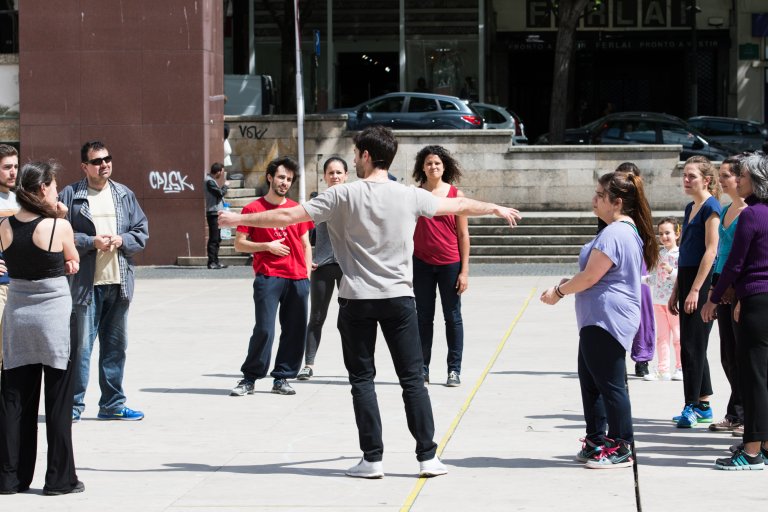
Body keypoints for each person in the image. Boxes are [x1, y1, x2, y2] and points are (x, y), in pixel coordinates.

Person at [219, 125, 521, 479]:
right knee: (412, 381)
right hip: (399, 301)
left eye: (355, 152)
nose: (351, 158)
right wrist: (496, 208)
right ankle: (428, 457)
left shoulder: (341, 195)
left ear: (365, 155)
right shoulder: (409, 195)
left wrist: (238, 217)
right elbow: (459, 204)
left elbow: (288, 216)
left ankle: (372, 459)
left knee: (363, 380)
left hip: (357, 300)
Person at [540, 169, 658, 469]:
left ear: (616, 202)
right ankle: (597, 439)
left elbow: (591, 276)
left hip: (607, 318)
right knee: (592, 381)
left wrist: (559, 291)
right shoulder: (621, 231)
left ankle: (622, 444)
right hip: (599, 318)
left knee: (610, 385)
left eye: (599, 195)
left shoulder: (616, 232)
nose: (594, 199)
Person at [0, 160, 83, 495]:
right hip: (55, 318)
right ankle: (59, 479)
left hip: (18, 315)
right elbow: (72, 260)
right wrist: (60, 218)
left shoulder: (4, 226)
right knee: (59, 401)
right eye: (54, 184)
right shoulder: (56, 226)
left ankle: (10, 477)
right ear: (43, 188)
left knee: (14, 398)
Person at [59, 140, 149, 422]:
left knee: (115, 348)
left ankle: (112, 405)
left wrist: (123, 239)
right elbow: (58, 233)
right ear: (85, 166)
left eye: (107, 159)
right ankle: (72, 407)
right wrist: (90, 241)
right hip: (85, 286)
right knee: (81, 349)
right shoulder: (71, 195)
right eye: (97, 161)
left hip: (119, 284)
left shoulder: (124, 194)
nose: (104, 165)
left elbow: (141, 232)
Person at [702, 153, 768, 470]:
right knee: (764, 377)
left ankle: (752, 450)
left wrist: (713, 298)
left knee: (753, 378)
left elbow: (735, 264)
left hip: (756, 302)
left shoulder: (752, 215)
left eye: (742, 177)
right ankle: (764, 445)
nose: (738, 181)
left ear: (755, 181)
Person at [229, 157, 313, 397]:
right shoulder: (252, 210)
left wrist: (306, 276)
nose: (284, 182)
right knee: (265, 328)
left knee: (295, 330)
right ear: (270, 177)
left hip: (297, 278)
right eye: (281, 177)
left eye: (288, 179)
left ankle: (282, 377)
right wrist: (267, 246)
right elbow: (240, 245)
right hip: (269, 276)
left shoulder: (297, 210)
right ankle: (250, 378)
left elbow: (306, 245)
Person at [669, 156, 720, 428]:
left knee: (691, 346)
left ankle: (691, 405)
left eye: (692, 176)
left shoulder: (711, 207)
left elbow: (711, 251)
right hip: (687, 278)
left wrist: (696, 290)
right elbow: (684, 254)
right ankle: (703, 404)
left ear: (706, 179)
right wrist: (678, 289)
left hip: (700, 282)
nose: (686, 180)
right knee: (694, 344)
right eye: (685, 176)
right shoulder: (690, 206)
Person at [411, 145, 469, 387]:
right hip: (421, 264)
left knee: (452, 317)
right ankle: (422, 369)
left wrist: (464, 271)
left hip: (450, 264)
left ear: (444, 166)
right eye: (428, 163)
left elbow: (463, 235)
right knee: (423, 318)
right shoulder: (415, 194)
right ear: (422, 168)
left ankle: (453, 370)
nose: (433, 167)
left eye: (437, 163)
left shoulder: (456, 194)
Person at [707, 156, 749, 434]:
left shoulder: (750, 212)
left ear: (739, 178)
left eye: (725, 175)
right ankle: (736, 411)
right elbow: (721, 253)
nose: (720, 180)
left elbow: (744, 256)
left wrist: (738, 293)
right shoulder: (725, 209)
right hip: (722, 281)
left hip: (740, 284)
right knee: (727, 354)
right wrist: (714, 286)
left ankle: (745, 414)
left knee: (743, 353)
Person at [297, 157, 348, 381]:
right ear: (324, 176)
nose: (335, 176)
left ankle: (355, 366)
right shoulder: (318, 201)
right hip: (323, 265)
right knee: (317, 316)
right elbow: (302, 232)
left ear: (346, 175)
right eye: (331, 173)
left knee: (350, 319)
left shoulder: (354, 199)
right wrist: (306, 259)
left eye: (339, 172)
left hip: (349, 267)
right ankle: (308, 364)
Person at [643, 217, 682, 381]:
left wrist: (671, 270)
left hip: (674, 302)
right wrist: (642, 280)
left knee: (678, 336)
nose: (664, 236)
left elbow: (681, 278)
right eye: (661, 233)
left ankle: (680, 367)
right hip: (658, 301)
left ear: (677, 234)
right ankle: (663, 369)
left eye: (668, 233)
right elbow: (656, 278)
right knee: (662, 337)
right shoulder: (660, 254)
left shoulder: (680, 254)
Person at [0, 144, 19, 373]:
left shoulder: (19, 201)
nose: (13, 172)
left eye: (15, 166)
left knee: (10, 356)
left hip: (18, 287)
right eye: (6, 167)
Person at [204, 162, 230, 269]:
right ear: (218, 171)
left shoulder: (211, 180)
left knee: (218, 238)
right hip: (213, 213)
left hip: (217, 212)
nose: (221, 175)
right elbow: (219, 193)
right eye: (221, 172)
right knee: (214, 239)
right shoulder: (209, 181)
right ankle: (211, 262)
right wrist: (225, 186)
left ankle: (216, 261)